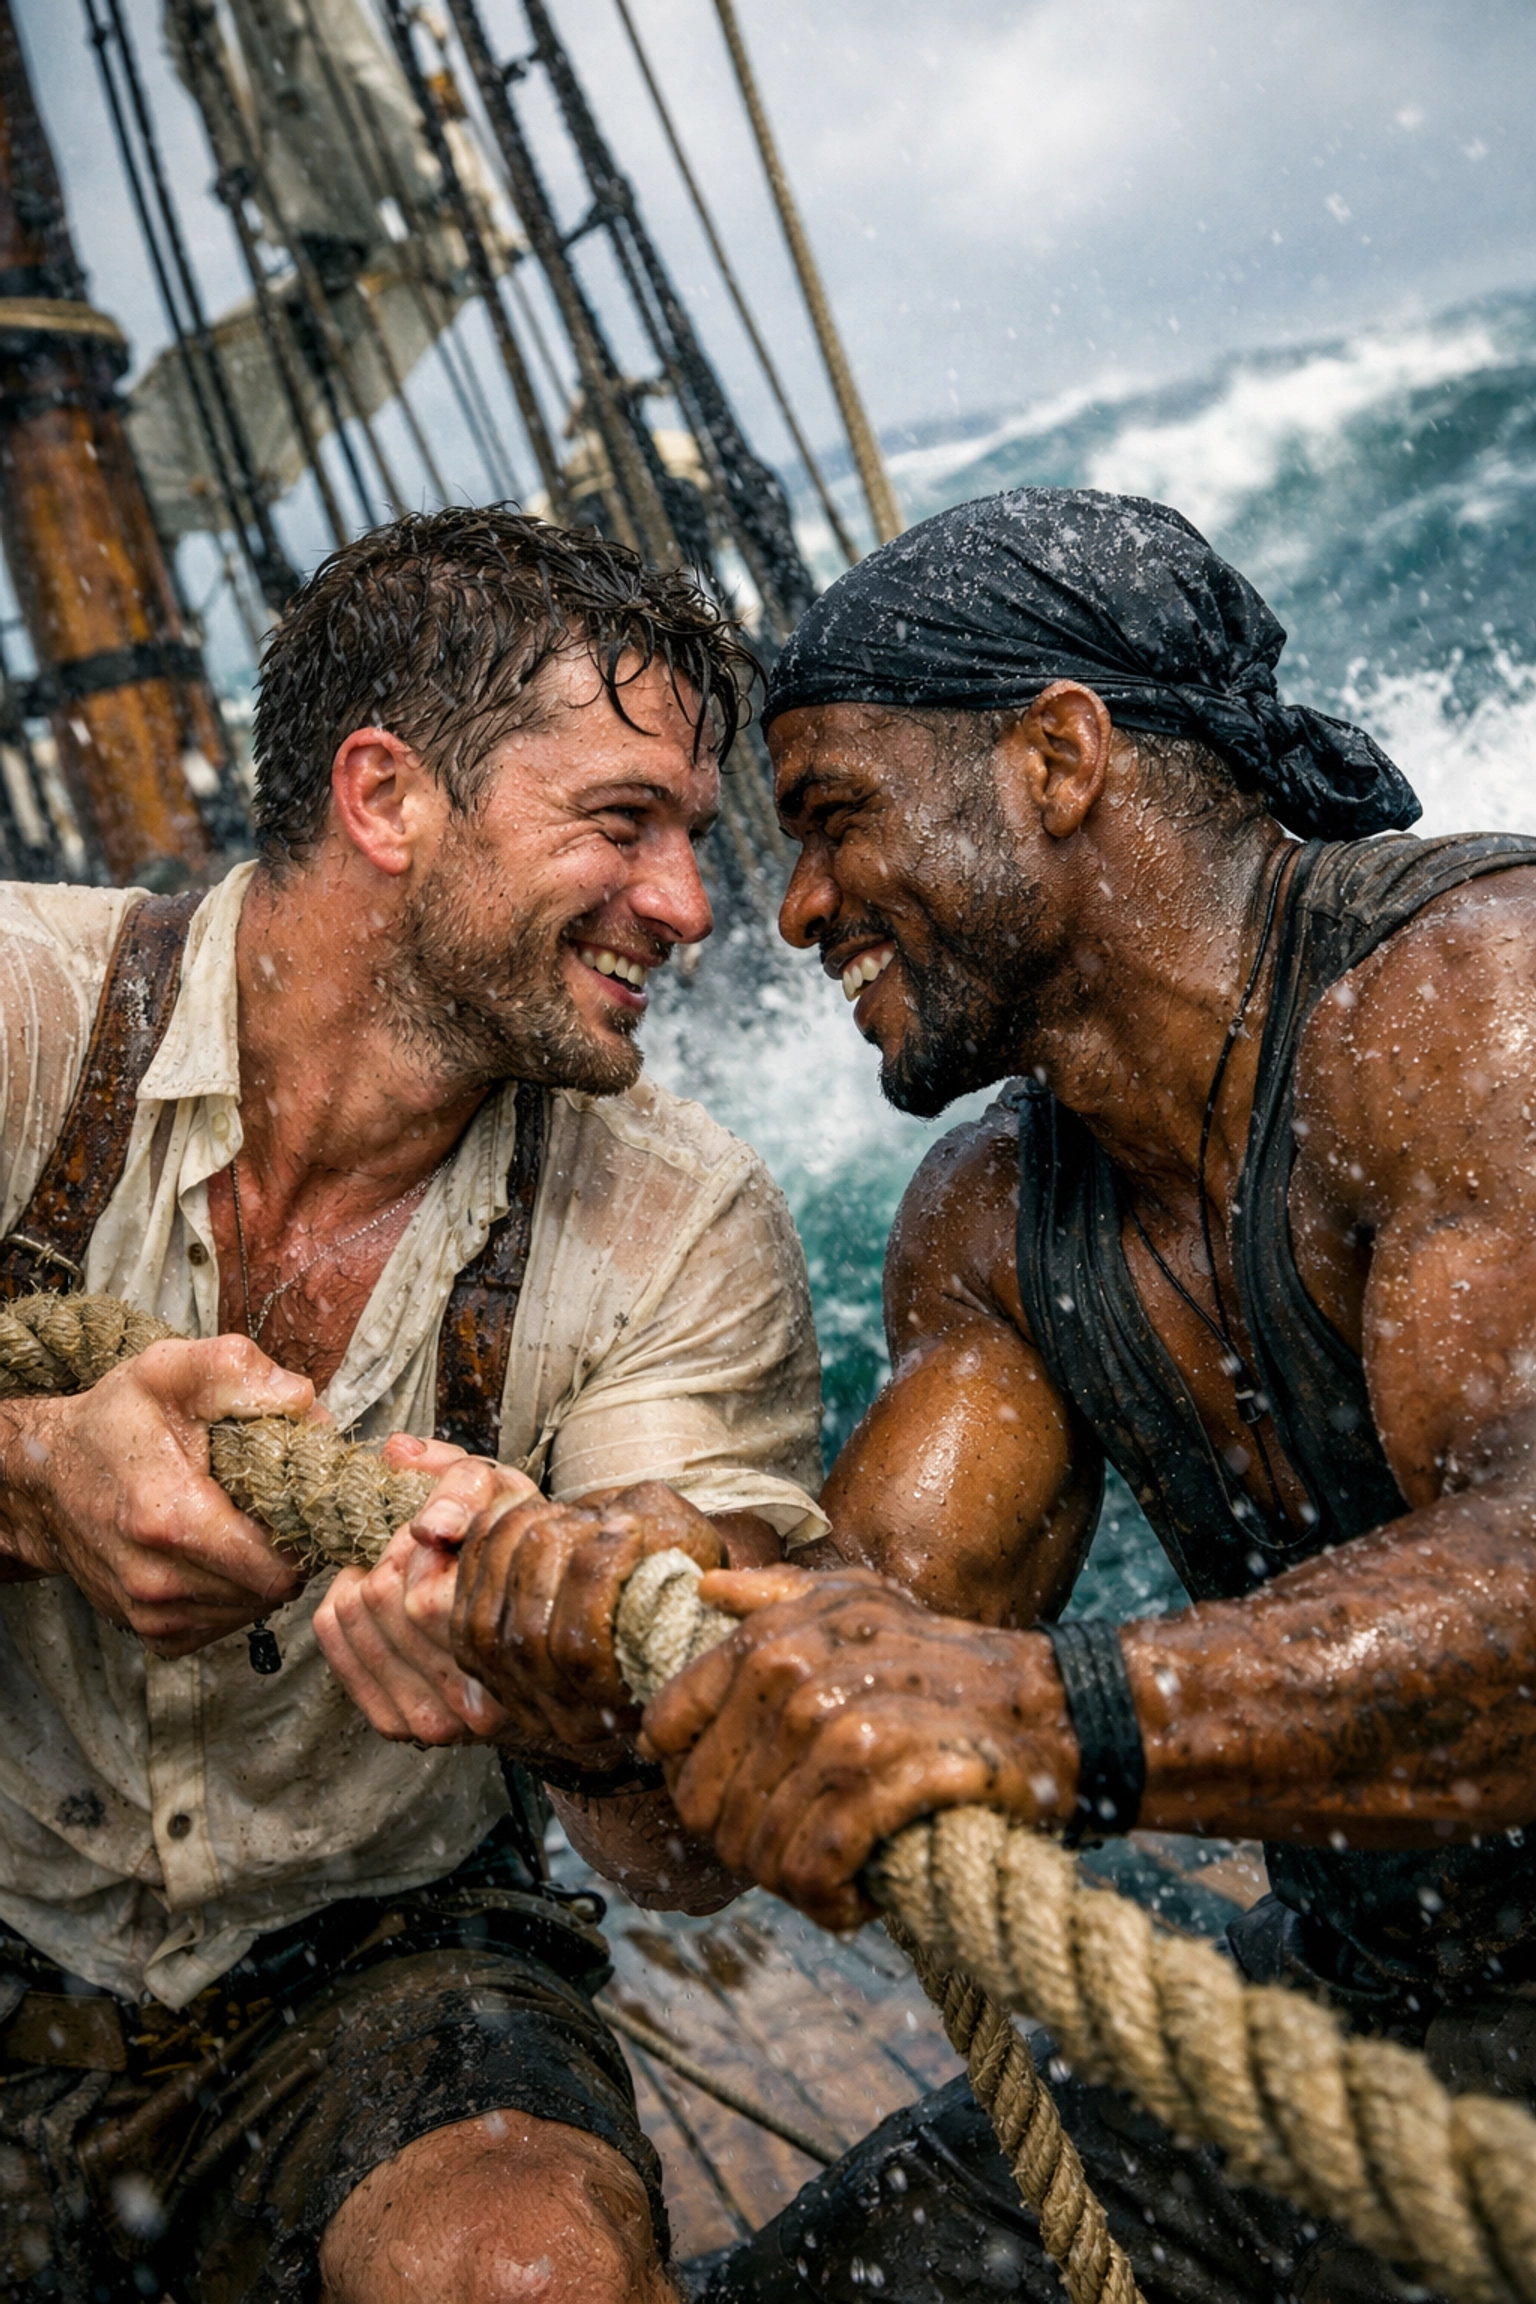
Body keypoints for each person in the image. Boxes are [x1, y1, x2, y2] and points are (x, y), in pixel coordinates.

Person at [455, 489, 1536, 2302]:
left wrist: (1061, 1716)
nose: (793, 910)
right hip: (1373, 2017)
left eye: (834, 820)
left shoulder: (1475, 1001)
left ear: (1056, 758)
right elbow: (815, 1716)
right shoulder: (989, 1222)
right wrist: (602, 1678)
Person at [0, 507, 827, 2304]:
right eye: (623, 823)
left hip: (381, 1965)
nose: (693, 906)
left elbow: (684, 1853)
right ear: (386, 798)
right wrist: (32, 1472)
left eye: (694, 835)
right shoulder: (19, 1015)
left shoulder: (690, 1227)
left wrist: (568, 1681)